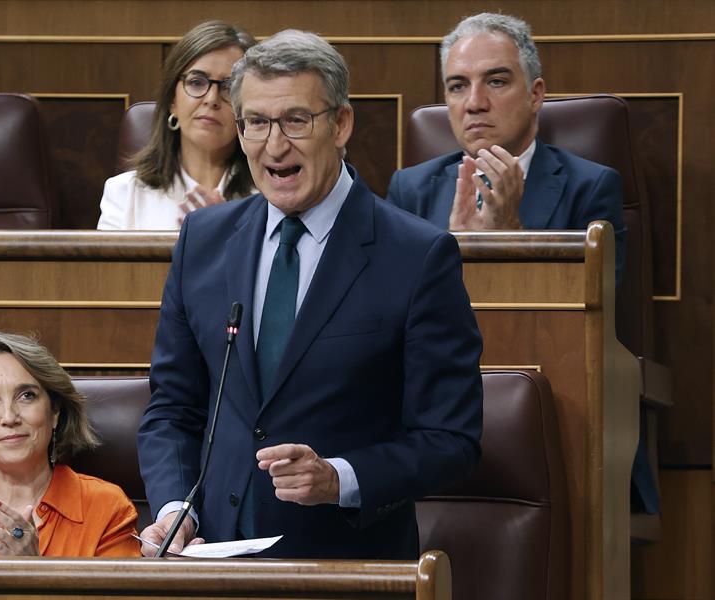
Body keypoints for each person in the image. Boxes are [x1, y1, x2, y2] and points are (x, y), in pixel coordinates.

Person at [137, 30, 482, 559]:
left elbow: (451, 439)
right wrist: (173, 508)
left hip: (345, 567)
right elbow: (172, 409)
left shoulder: (417, 256)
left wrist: (339, 478)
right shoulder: (202, 242)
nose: (275, 146)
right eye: (256, 122)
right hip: (212, 564)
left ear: (341, 124)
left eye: (296, 120)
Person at [386, 13, 626, 285]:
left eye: (496, 81)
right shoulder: (410, 190)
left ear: (535, 95)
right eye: (458, 86)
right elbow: (389, 304)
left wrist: (508, 236)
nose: (474, 103)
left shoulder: (590, 188)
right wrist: (455, 256)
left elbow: (589, 312)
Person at [0, 330, 140, 557]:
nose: (9, 417)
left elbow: (118, 596)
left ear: (55, 411)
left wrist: (32, 573)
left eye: (26, 395)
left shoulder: (107, 508)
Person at [97, 20, 255, 230]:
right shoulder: (125, 194)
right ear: (172, 100)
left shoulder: (270, 197)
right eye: (196, 82)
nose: (211, 99)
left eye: (228, 87)